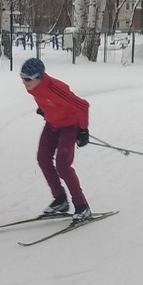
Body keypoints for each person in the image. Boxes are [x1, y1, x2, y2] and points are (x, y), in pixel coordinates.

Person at [20, 57, 91, 223]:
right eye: (21, 78)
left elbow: (82, 105)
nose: (24, 82)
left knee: (62, 165)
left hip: (70, 127)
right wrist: (45, 110)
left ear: (39, 77)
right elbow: (50, 102)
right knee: (43, 159)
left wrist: (83, 130)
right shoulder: (34, 87)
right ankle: (60, 200)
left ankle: (82, 206)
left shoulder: (55, 88)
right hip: (52, 125)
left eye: (27, 79)